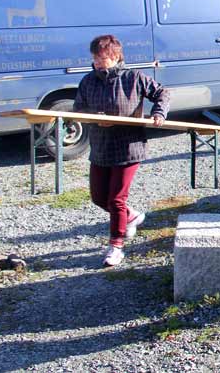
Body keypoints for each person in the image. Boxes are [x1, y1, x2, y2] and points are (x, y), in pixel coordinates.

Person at [73, 35, 169, 267]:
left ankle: (116, 246)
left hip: (128, 147)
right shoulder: (88, 81)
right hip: (100, 147)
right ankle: (132, 216)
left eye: (102, 58)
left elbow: (162, 93)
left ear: (116, 57)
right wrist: (93, 118)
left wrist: (159, 113)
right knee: (99, 198)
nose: (98, 62)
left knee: (116, 199)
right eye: (95, 58)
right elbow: (78, 109)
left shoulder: (133, 78)